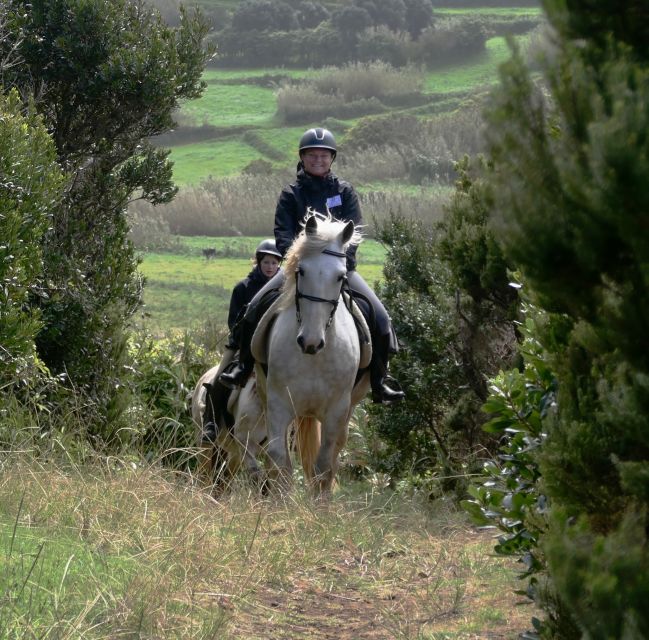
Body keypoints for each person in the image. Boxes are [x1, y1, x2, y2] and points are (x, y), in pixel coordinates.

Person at [219, 127, 405, 404]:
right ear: (303, 158)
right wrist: (297, 259)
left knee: (380, 317)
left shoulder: (345, 192)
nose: (318, 159)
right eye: (312, 155)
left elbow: (354, 233)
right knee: (252, 309)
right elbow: (282, 234)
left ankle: (379, 381)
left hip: (337, 270)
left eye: (323, 155)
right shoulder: (291, 194)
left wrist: (344, 260)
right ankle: (242, 366)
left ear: (332, 158)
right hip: (298, 270)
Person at [201, 239, 282, 442]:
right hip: (242, 346)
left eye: (274, 263)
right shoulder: (243, 288)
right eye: (266, 263)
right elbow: (233, 322)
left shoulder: (284, 289)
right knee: (218, 378)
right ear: (258, 262)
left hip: (274, 349)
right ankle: (210, 423)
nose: (270, 267)